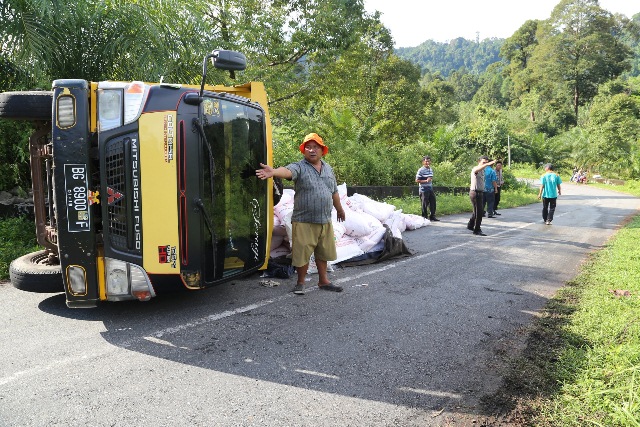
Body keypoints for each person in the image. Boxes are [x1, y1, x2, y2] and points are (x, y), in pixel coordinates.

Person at [256, 133, 345, 295]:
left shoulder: (328, 168)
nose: (312, 150)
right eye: (308, 147)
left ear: (322, 150)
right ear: (304, 151)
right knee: (302, 253)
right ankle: (301, 283)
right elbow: (288, 171)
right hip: (304, 220)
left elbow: (334, 191)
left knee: (323, 252)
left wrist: (339, 209)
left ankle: (323, 281)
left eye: (315, 147)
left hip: (324, 219)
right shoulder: (300, 166)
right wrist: (274, 172)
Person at [468, 156, 496, 236]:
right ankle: (477, 230)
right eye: (483, 162)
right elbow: (477, 170)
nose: (485, 164)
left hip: (480, 192)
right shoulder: (476, 169)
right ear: (479, 161)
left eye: (486, 163)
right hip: (475, 192)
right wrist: (487, 164)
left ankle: (470, 225)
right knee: (479, 212)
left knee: (476, 211)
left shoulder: (483, 171)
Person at [415, 155, 439, 222]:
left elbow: (430, 178)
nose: (427, 163)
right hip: (423, 189)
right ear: (423, 162)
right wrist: (426, 180)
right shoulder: (421, 170)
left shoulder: (430, 169)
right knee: (424, 204)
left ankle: (432, 216)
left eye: (428, 161)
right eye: (426, 161)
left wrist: (429, 180)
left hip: (430, 188)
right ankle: (424, 217)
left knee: (433, 202)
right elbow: (417, 180)